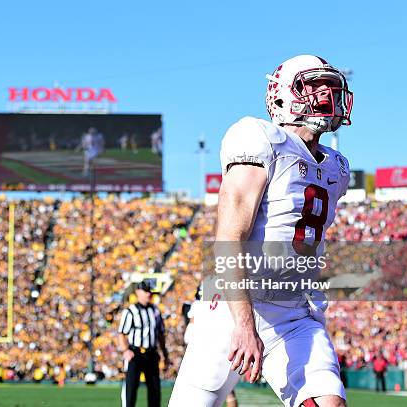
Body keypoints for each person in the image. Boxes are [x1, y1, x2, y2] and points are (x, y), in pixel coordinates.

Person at [169, 55, 353, 407]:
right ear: (284, 94)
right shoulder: (260, 140)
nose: (327, 92)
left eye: (331, 84)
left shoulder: (336, 167)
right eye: (314, 84)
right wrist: (244, 325)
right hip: (234, 307)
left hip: (295, 311)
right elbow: (229, 238)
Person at [118, 281, 169, 407]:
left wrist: (165, 354)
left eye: (149, 291)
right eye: (145, 291)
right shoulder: (131, 311)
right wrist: (125, 350)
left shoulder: (155, 311)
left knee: (155, 391)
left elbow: (160, 334)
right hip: (136, 353)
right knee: (131, 389)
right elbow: (121, 333)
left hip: (151, 353)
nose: (148, 293)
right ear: (138, 292)